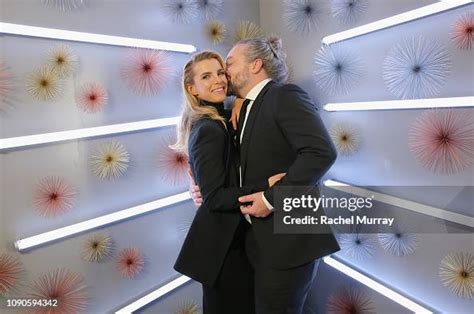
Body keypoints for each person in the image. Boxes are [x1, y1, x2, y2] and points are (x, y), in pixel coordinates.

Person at [192, 37, 341, 314]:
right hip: (257, 244)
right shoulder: (240, 109)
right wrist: (198, 185)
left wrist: (271, 198)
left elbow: (321, 153)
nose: (225, 73)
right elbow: (219, 161)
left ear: (256, 64)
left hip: (288, 243)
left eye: (230, 64)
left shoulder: (283, 95)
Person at [171, 51, 285, 314]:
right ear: (193, 89)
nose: (218, 80)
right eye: (206, 76)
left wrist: (239, 101)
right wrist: (266, 188)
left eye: (221, 72)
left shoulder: (218, 120)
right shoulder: (208, 129)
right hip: (222, 248)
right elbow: (214, 197)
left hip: (230, 242)